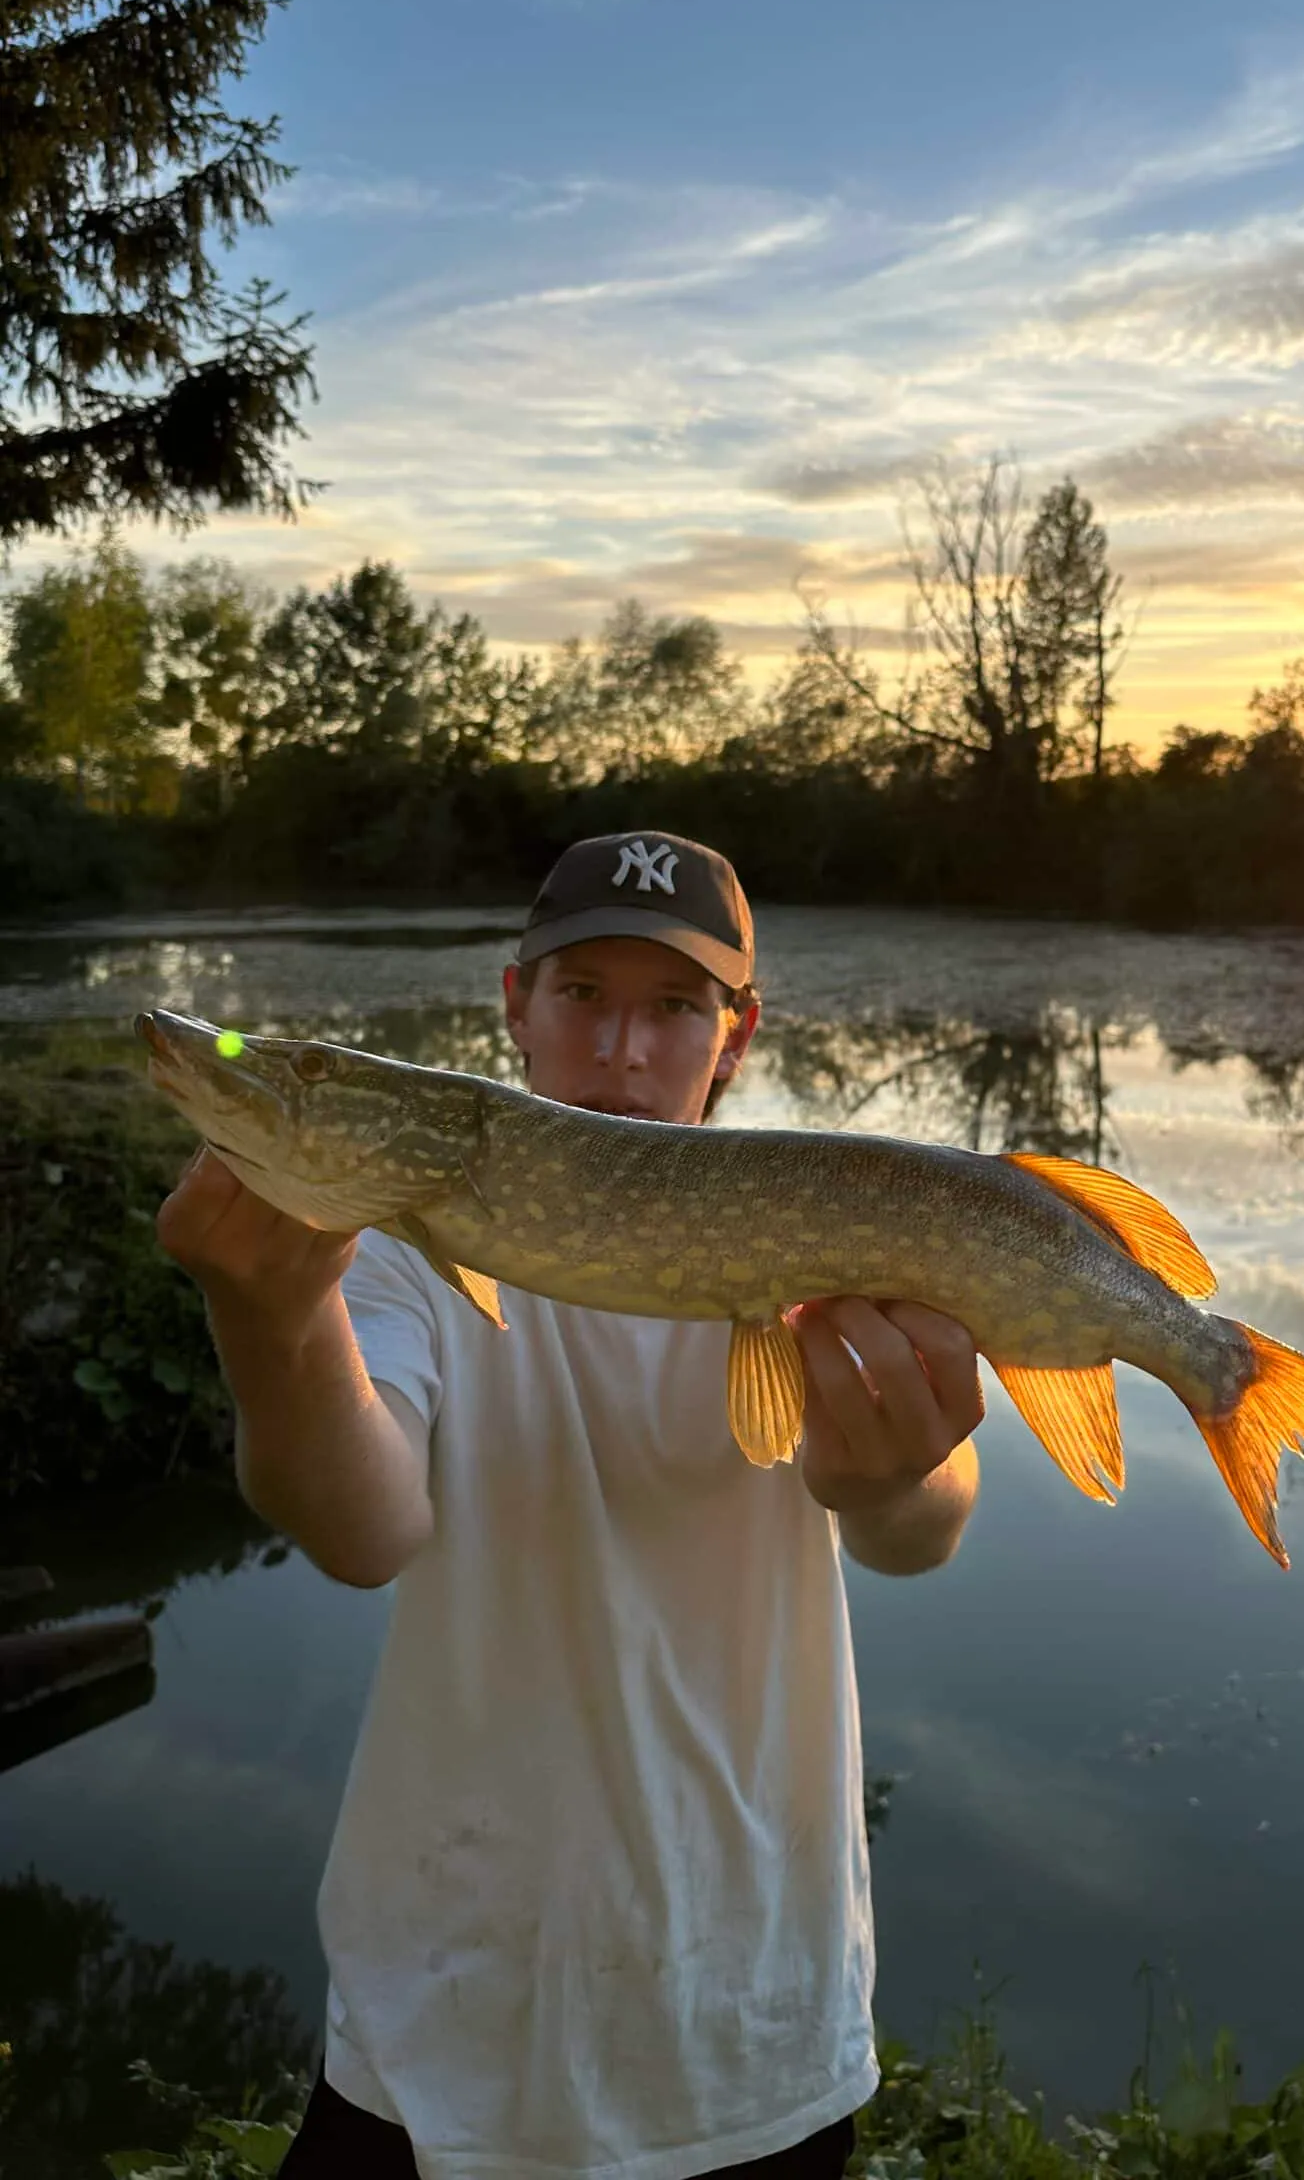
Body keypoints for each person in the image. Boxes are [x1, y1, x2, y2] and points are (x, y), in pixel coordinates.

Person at [156, 830, 985, 2180]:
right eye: (582, 993)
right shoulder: (404, 1244)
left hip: (753, 2024)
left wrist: (900, 1470)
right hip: (445, 2029)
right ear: (516, 1006)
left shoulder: (815, 1226)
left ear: (735, 1035)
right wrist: (271, 1322)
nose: (621, 1050)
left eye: (675, 1007)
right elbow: (364, 1528)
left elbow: (921, 1532)